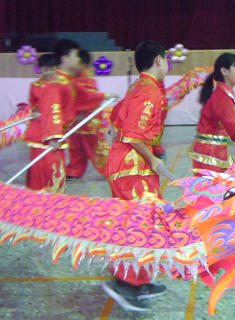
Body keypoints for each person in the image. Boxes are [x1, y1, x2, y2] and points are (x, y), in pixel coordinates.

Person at [101, 40, 170, 312]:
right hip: (132, 165)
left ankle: (140, 281)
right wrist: (151, 157)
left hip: (128, 162)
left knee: (143, 220)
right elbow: (131, 131)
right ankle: (125, 284)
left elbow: (116, 118)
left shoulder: (137, 88)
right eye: (166, 60)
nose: (167, 65)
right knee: (139, 223)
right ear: (158, 60)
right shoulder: (150, 90)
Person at [23, 53, 72, 192]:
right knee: (38, 164)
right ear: (40, 69)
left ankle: (53, 197)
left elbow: (68, 107)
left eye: (52, 69)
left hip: (56, 128)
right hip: (39, 130)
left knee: (54, 163)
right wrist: (34, 112)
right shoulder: (35, 85)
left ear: (56, 68)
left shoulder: (61, 85)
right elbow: (33, 103)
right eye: (46, 70)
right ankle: (36, 194)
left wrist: (57, 133)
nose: (49, 73)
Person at [66, 49, 115, 179]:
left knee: (97, 149)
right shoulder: (74, 77)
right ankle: (74, 170)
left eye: (75, 61)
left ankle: (112, 170)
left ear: (83, 63)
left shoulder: (87, 79)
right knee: (76, 148)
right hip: (77, 119)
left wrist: (104, 96)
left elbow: (88, 96)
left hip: (89, 120)